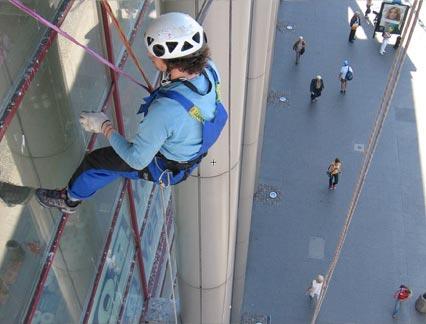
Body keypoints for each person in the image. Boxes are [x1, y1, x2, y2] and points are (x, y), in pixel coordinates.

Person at [35, 12, 228, 214]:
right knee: (115, 164)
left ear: (170, 60)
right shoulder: (208, 69)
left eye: (154, 55)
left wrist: (104, 127)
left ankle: (69, 200)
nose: (150, 57)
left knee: (96, 163)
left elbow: (136, 160)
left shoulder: (165, 111)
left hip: (162, 164)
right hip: (187, 151)